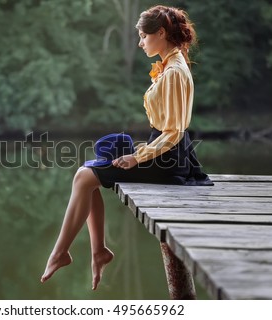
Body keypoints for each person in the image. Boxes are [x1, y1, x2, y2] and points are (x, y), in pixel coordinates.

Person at [40, 5, 213, 291]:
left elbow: (174, 132)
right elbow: (168, 129)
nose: (140, 42)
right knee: (87, 172)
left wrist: (137, 156)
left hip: (169, 160)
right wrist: (141, 150)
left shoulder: (173, 72)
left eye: (144, 36)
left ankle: (62, 253)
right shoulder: (171, 65)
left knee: (84, 177)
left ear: (160, 33)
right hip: (165, 152)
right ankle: (98, 252)